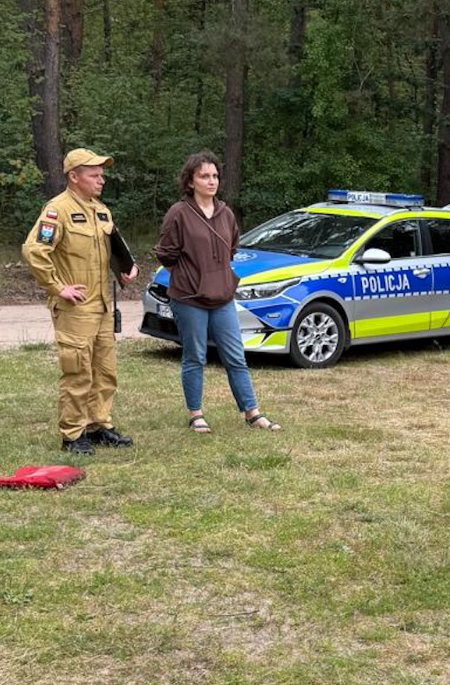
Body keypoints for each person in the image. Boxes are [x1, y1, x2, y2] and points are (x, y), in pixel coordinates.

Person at [153, 152, 281, 434]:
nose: (211, 181)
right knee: (195, 355)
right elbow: (165, 253)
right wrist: (190, 277)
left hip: (222, 296)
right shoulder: (179, 213)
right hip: (189, 298)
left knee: (236, 356)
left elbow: (231, 249)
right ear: (190, 181)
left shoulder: (226, 213)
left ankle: (252, 412)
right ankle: (195, 414)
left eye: (214, 176)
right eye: (204, 176)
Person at [22, 148, 138, 455]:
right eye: (94, 174)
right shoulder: (56, 210)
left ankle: (98, 424)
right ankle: (73, 433)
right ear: (74, 177)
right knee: (78, 371)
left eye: (102, 175)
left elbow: (112, 250)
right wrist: (57, 287)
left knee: (105, 369)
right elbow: (35, 251)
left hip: (101, 305)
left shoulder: (101, 210)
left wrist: (125, 270)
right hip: (76, 308)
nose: (101, 180)